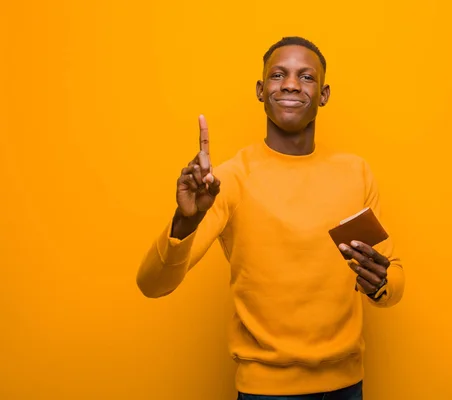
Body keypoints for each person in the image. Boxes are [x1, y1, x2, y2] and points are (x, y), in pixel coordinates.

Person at [136, 36, 405, 399]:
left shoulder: (354, 174)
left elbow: (393, 282)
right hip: (265, 392)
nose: (291, 83)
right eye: (279, 75)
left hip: (347, 385)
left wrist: (380, 283)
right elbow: (152, 285)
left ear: (324, 94)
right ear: (262, 90)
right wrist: (185, 221)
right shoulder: (227, 181)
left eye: (306, 77)